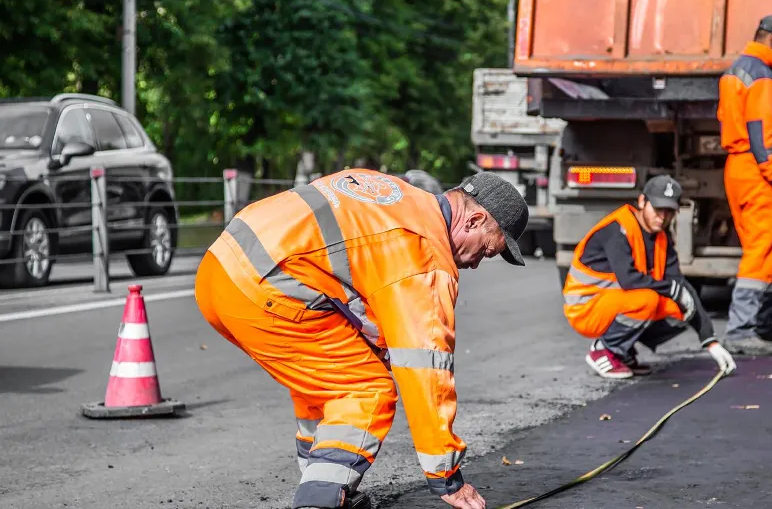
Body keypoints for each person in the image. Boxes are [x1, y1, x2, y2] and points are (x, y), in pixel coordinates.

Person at [194, 169, 529, 509]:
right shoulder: (427, 255)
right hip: (265, 287)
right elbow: (426, 371)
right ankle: (319, 501)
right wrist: (446, 477)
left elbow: (348, 269)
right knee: (367, 391)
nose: (474, 264)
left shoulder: (395, 193)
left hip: (221, 265)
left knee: (325, 384)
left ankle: (324, 481)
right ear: (473, 220)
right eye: (486, 250)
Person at [561, 175, 737, 379]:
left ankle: (623, 351)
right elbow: (629, 280)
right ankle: (605, 349)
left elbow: (680, 285)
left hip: (614, 301)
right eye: (658, 209)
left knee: (680, 306)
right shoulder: (618, 229)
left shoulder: (661, 238)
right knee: (648, 299)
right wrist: (672, 289)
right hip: (586, 308)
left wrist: (710, 340)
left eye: (669, 211)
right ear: (642, 201)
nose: (662, 217)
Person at [717, 14, 772, 356]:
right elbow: (761, 133)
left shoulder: (736, 70)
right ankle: (741, 331)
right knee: (760, 252)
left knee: (760, 248)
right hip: (757, 171)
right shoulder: (763, 76)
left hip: (737, 169)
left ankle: (762, 326)